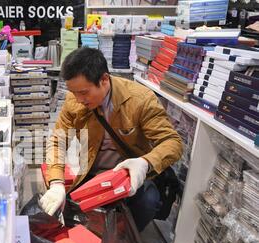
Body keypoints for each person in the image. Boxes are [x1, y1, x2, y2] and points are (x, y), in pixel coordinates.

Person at [40, 47, 183, 232]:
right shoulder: (73, 101)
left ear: (104, 80)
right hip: (91, 172)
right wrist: (57, 183)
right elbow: (58, 141)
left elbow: (173, 142)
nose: (78, 99)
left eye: (84, 92)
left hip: (129, 175)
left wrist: (144, 163)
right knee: (66, 215)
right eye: (74, 92)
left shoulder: (140, 100)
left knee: (148, 202)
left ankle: (124, 241)